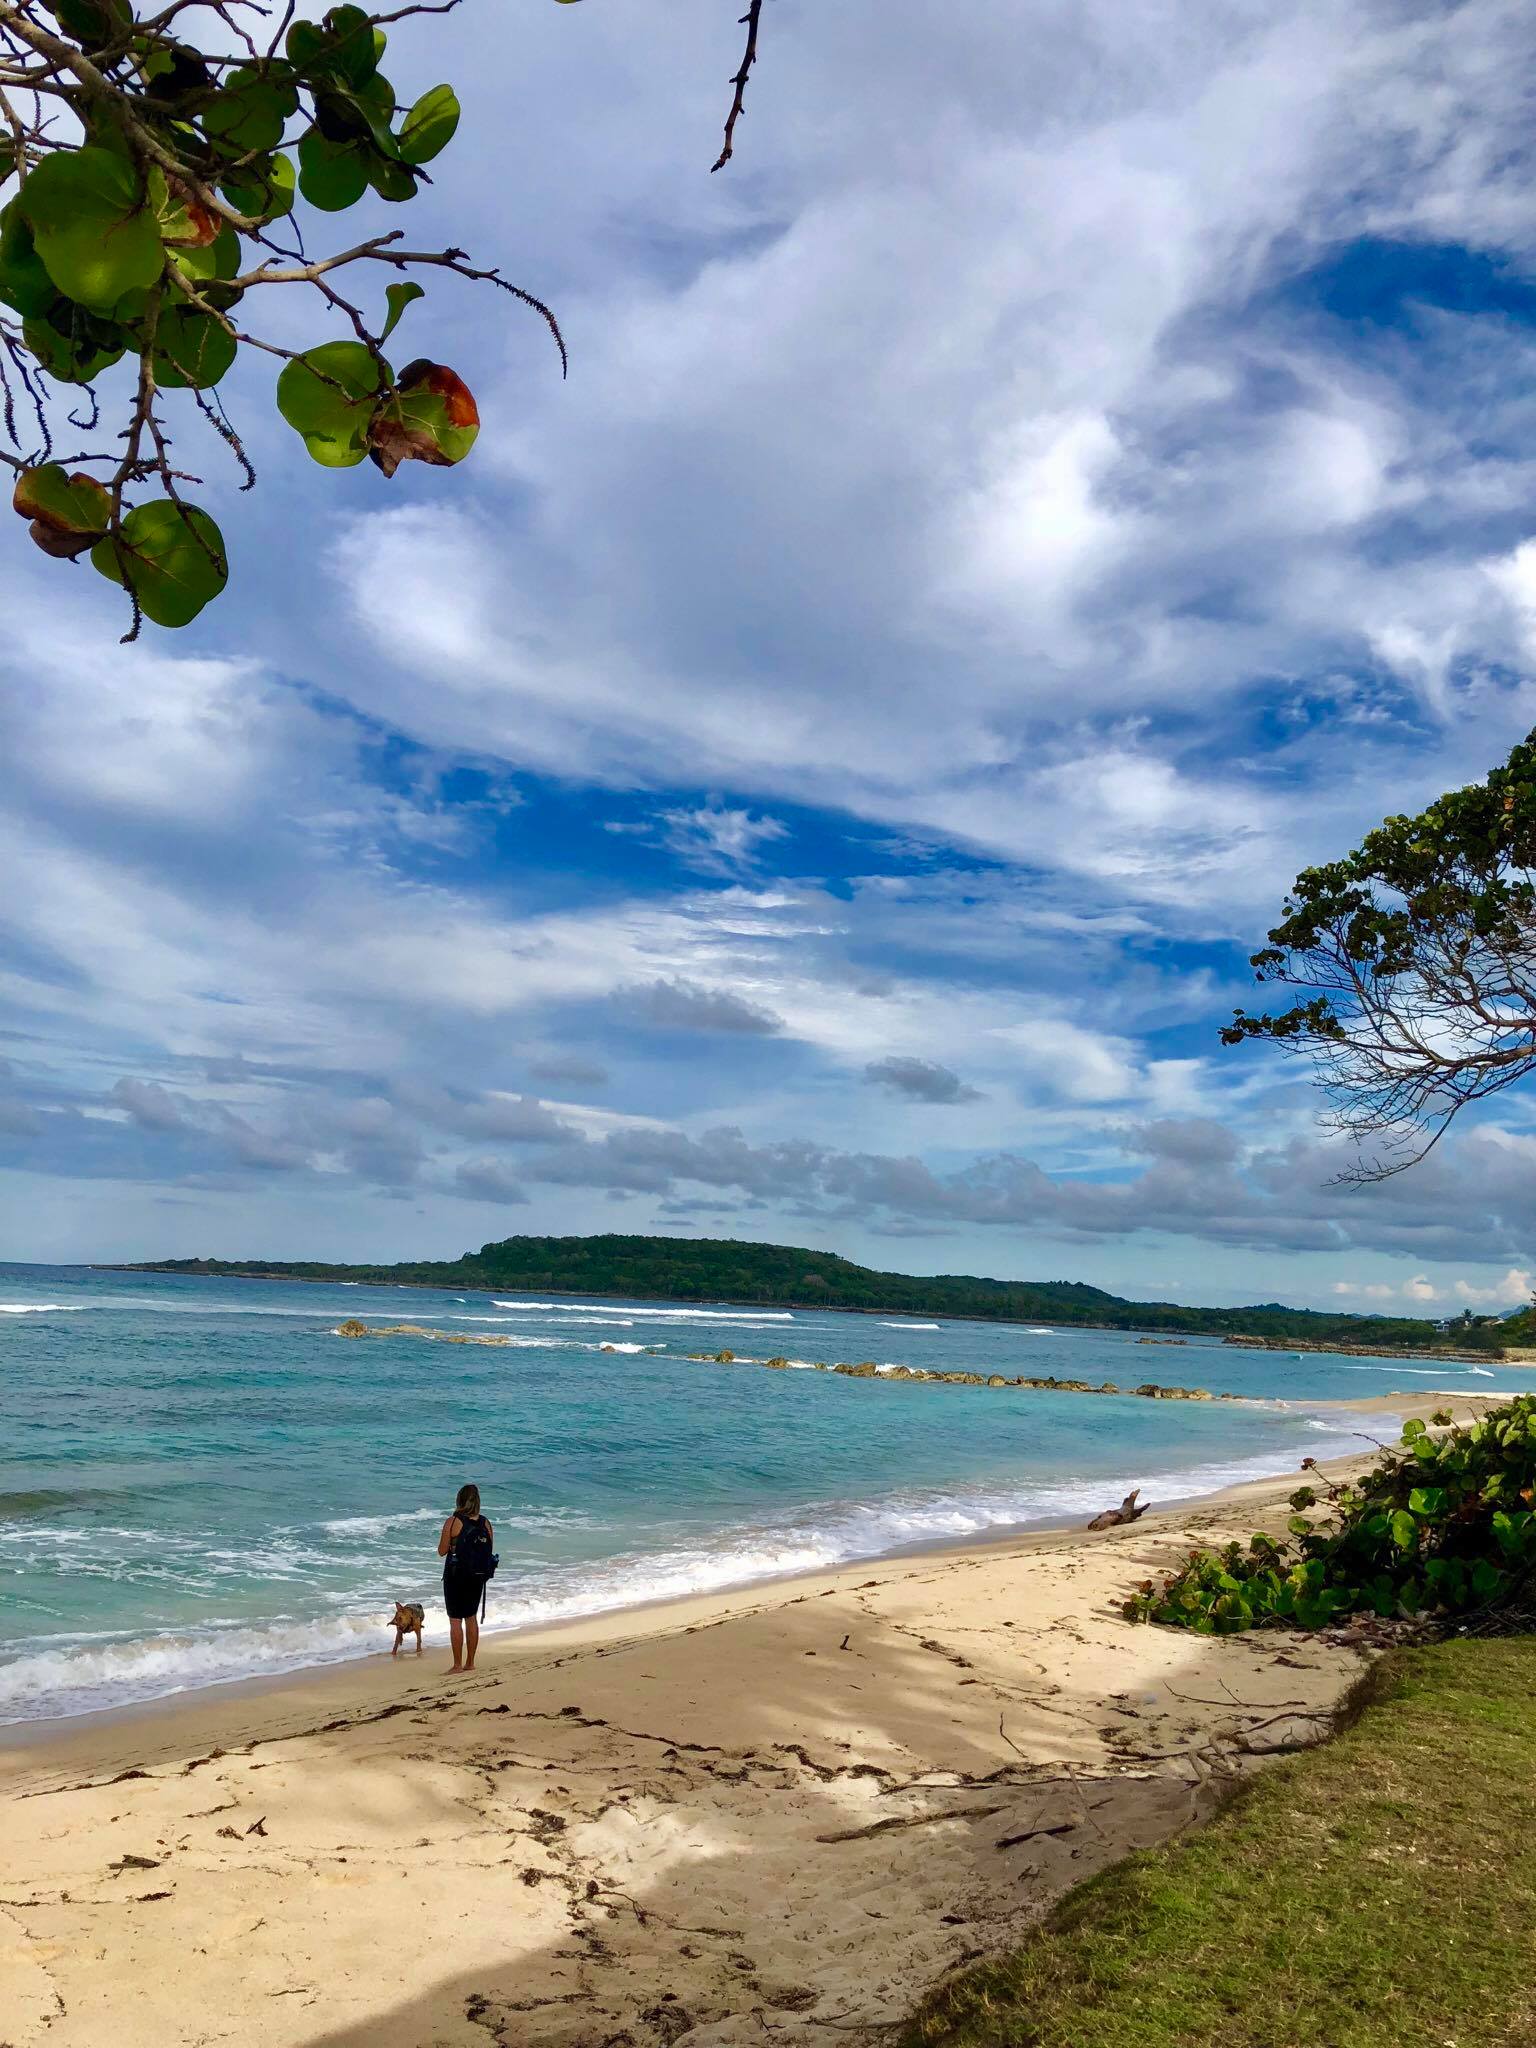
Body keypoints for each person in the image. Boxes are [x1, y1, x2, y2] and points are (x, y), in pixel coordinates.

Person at [437, 1482, 494, 1674]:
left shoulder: (453, 1522)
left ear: (459, 1500)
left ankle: (457, 1665)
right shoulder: (486, 1523)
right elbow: (489, 1551)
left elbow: (442, 1551)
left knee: (455, 1620)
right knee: (471, 1618)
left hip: (455, 1576)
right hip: (477, 1576)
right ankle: (470, 1662)